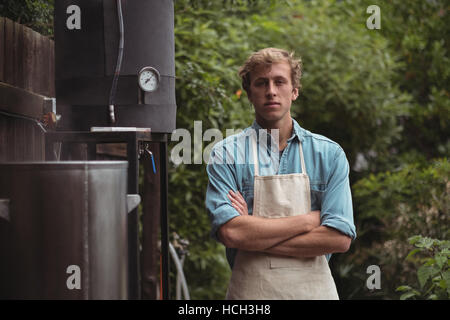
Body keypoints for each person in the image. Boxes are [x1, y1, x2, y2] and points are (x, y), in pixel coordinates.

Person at [205, 48, 356, 299]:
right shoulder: (226, 154)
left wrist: (253, 236)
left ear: (294, 91)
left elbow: (339, 238)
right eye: (261, 83)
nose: (271, 91)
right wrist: (308, 221)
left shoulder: (329, 154)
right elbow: (231, 233)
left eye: (279, 81)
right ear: (250, 94)